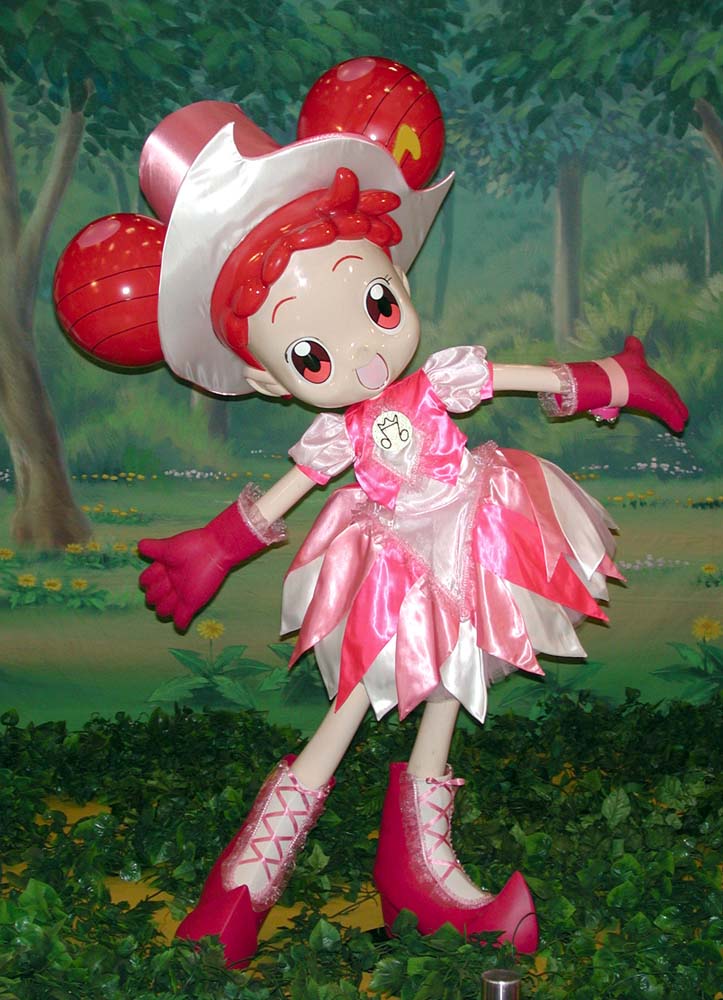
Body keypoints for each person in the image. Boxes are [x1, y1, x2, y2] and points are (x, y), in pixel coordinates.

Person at [55, 87, 688, 970]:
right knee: (353, 700)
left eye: (377, 306)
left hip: (476, 530)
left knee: (451, 677)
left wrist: (615, 381)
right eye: (309, 356)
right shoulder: (335, 433)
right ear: (270, 380)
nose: (359, 355)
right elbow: (290, 488)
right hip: (392, 561)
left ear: (398, 275)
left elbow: (529, 377)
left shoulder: (439, 381)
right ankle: (249, 877)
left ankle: (419, 869)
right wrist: (219, 545)